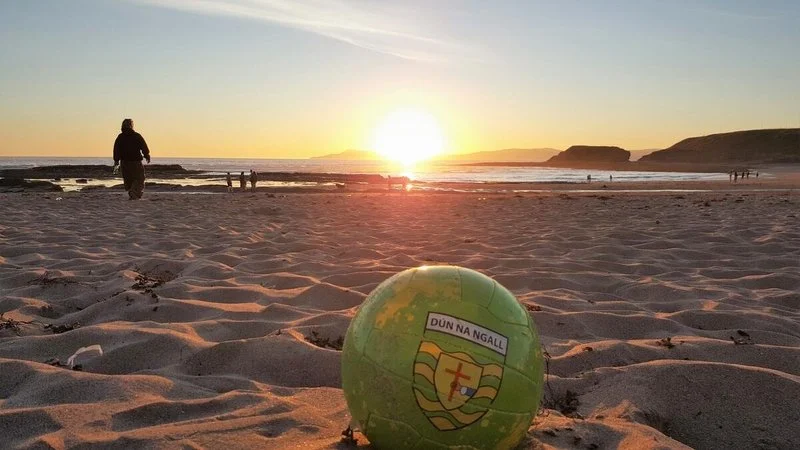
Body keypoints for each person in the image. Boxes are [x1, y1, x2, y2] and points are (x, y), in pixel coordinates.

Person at [113, 118, 150, 200]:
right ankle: (134, 193)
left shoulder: (120, 137)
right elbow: (143, 146)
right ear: (131, 125)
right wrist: (147, 155)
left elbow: (116, 149)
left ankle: (132, 192)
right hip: (135, 161)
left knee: (128, 179)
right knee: (139, 178)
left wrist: (116, 160)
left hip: (124, 162)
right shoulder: (136, 136)